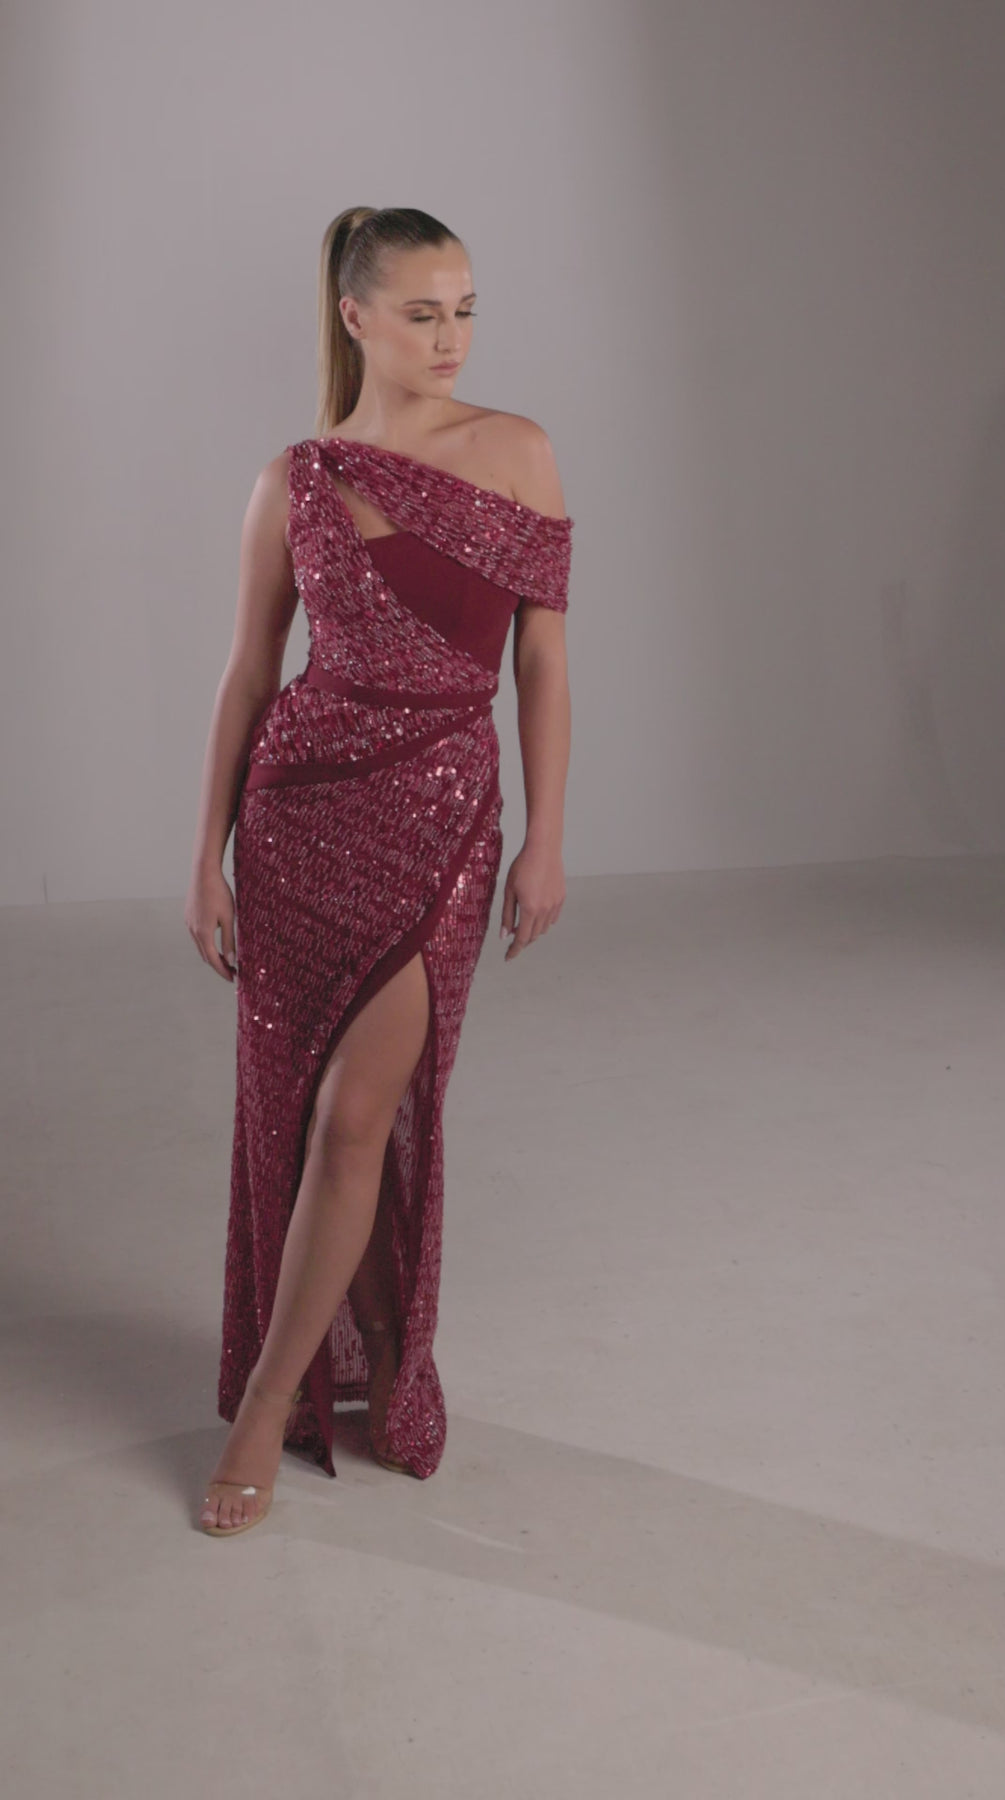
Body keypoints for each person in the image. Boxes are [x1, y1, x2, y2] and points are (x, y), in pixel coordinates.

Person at [184, 205, 574, 1536]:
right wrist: (203, 859)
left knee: (361, 1121)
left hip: (443, 822)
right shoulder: (294, 479)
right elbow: (249, 672)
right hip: (298, 820)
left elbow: (541, 661)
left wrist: (546, 836)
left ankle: (269, 1402)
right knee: (302, 1116)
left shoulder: (517, 451)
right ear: (355, 317)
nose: (451, 336)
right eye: (422, 312)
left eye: (464, 309)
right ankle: (320, 1372)